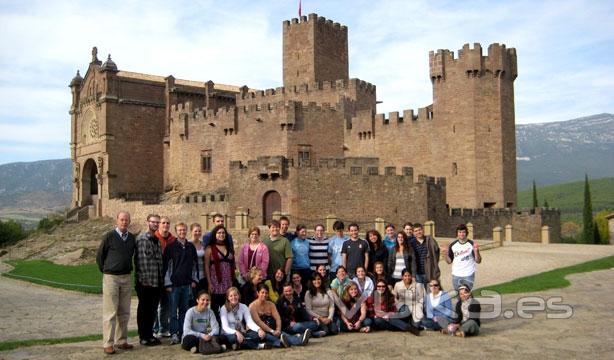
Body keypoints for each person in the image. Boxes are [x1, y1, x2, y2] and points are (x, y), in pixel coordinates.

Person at [96, 211, 136, 355]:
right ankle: (108, 343)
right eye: (122, 220)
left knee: (124, 311)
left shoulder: (131, 238)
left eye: (126, 220)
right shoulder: (109, 236)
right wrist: (107, 270)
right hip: (111, 277)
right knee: (110, 312)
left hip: (126, 277)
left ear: (129, 221)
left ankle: (122, 340)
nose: (124, 222)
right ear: (117, 221)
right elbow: (100, 256)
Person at [164, 222, 200, 345]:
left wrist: (195, 280)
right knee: (173, 312)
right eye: (179, 230)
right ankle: (174, 333)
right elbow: (166, 267)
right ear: (176, 231)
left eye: (184, 230)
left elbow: (195, 265)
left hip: (187, 284)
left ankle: (182, 332)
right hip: (174, 285)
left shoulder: (190, 247)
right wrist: (167, 283)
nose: (182, 232)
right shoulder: (171, 247)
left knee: (184, 310)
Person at [134, 214, 164, 347]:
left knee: (152, 310)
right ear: (148, 223)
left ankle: (149, 335)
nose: (155, 224)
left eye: (157, 222)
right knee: (144, 309)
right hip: (146, 282)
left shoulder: (156, 240)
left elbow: (159, 261)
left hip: (156, 281)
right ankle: (143, 336)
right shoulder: (142, 239)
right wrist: (144, 280)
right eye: (153, 222)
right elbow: (141, 261)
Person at [204, 224, 236, 314]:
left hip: (228, 281)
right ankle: (215, 325)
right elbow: (206, 266)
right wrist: (209, 283)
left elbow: (233, 263)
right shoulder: (209, 248)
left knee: (227, 305)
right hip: (215, 281)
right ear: (215, 234)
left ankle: (226, 325)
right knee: (215, 306)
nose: (221, 234)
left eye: (223, 233)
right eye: (219, 233)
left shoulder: (229, 247)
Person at [153, 216, 175, 338]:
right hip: (155, 277)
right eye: (163, 223)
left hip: (168, 278)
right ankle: (154, 329)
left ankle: (164, 329)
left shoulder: (173, 240)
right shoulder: (154, 238)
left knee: (166, 305)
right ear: (159, 225)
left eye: (167, 223)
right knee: (154, 305)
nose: (165, 225)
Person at [445, 224, 482, 291]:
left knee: (466, 295)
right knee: (459, 295)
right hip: (456, 274)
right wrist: (445, 254)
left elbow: (478, 261)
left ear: (466, 233)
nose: (462, 234)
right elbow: (449, 261)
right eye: (460, 232)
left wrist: (476, 251)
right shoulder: (453, 245)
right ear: (457, 233)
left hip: (468, 274)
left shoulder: (472, 244)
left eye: (463, 232)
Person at [304, 272, 338, 336]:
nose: (317, 281)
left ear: (321, 280)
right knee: (326, 331)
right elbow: (308, 309)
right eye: (314, 279)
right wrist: (320, 318)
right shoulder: (308, 293)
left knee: (334, 330)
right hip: (317, 319)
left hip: (327, 318)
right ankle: (312, 333)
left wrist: (329, 318)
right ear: (311, 281)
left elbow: (331, 306)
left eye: (318, 279)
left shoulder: (328, 291)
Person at [189, 223, 207, 303]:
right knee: (193, 301)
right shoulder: (188, 244)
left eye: (199, 231)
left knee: (202, 300)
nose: (198, 233)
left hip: (203, 277)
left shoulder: (203, 244)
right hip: (193, 277)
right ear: (191, 231)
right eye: (195, 231)